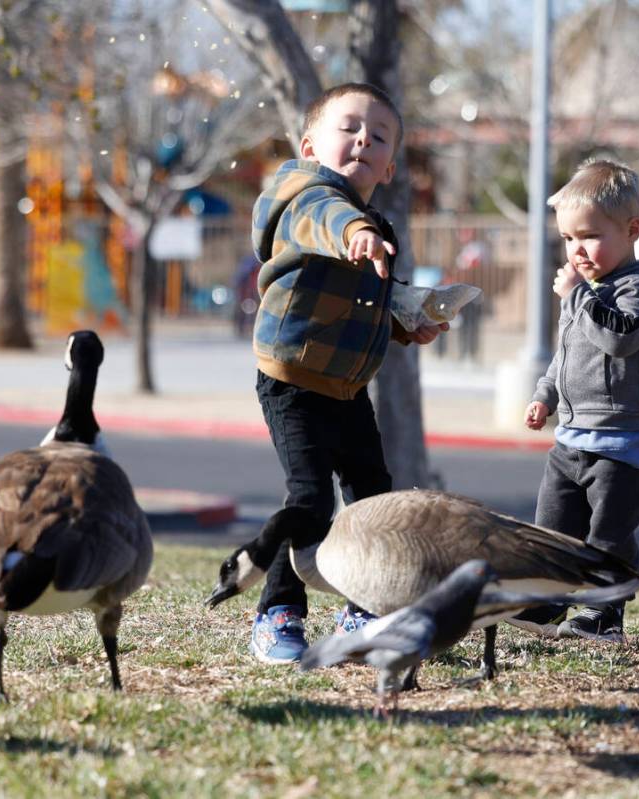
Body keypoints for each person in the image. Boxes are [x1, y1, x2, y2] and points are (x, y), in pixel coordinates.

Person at [247, 82, 448, 664]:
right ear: (310, 146)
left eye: (380, 135)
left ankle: (365, 607)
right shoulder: (306, 194)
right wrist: (355, 232)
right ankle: (277, 612)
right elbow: (324, 219)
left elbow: (371, 304)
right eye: (350, 127)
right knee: (308, 499)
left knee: (370, 499)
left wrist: (411, 321)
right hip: (291, 376)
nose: (364, 139)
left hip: (346, 383)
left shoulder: (378, 229)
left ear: (388, 168)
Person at [512, 158, 639, 644]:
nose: (576, 249)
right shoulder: (586, 291)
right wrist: (544, 395)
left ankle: (604, 616)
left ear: (632, 230)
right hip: (571, 439)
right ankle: (547, 603)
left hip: (625, 442)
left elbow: (620, 338)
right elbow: (565, 356)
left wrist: (579, 297)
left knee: (608, 536)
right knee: (553, 526)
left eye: (588, 235)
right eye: (567, 239)